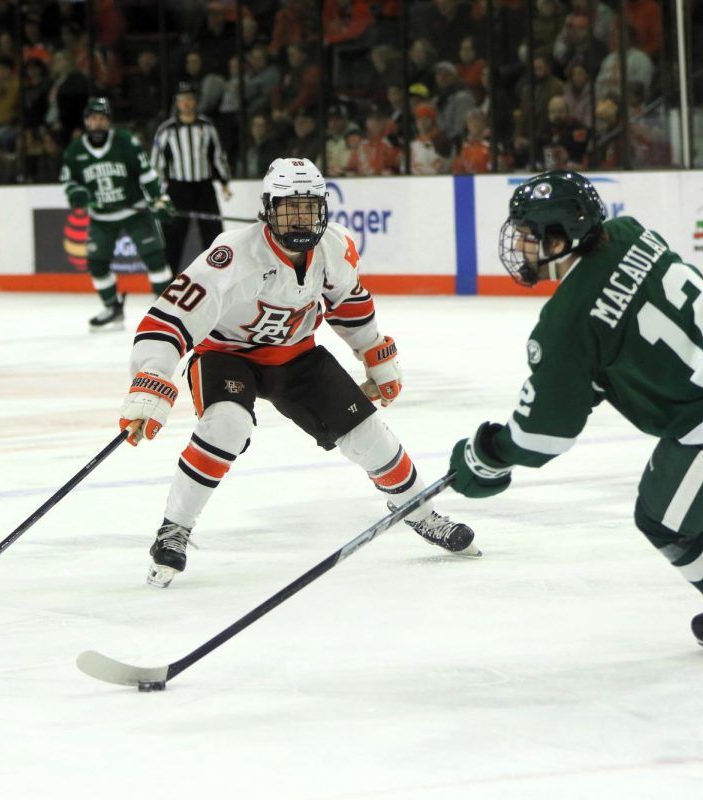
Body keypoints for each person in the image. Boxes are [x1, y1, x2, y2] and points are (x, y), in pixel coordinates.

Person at [448, 171, 703, 649]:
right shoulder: (632, 232)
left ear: (560, 237)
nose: (519, 245)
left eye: (527, 234)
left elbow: (544, 436)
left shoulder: (565, 325)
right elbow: (635, 325)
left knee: (663, 520)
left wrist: (487, 454)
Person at [119, 157, 481, 588]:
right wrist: (151, 383)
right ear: (268, 209)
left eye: (308, 207)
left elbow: (350, 303)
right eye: (289, 207)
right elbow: (167, 320)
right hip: (227, 354)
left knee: (367, 431)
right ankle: (174, 530)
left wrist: (373, 354)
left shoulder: (334, 247)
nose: (300, 217)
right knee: (226, 425)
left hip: (295, 353)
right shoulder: (231, 255)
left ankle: (420, 512)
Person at [60, 97, 176, 331]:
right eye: (93, 119)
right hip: (102, 217)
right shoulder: (75, 150)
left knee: (154, 258)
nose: (98, 123)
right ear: (86, 122)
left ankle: (167, 311)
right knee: (96, 264)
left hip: (135, 210)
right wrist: (77, 194)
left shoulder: (126, 142)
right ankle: (112, 307)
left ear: (109, 121)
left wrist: (159, 199)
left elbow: (147, 175)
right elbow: (69, 181)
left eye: (102, 118)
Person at [151, 82, 234, 274]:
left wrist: (224, 182)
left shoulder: (207, 126)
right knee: (173, 234)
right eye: (182, 100)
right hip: (177, 188)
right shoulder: (167, 129)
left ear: (195, 101)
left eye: (189, 99)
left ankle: (217, 276)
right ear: (177, 103)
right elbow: (157, 161)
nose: (186, 103)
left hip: (204, 187)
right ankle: (168, 281)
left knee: (213, 233)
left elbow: (218, 155)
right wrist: (157, 191)